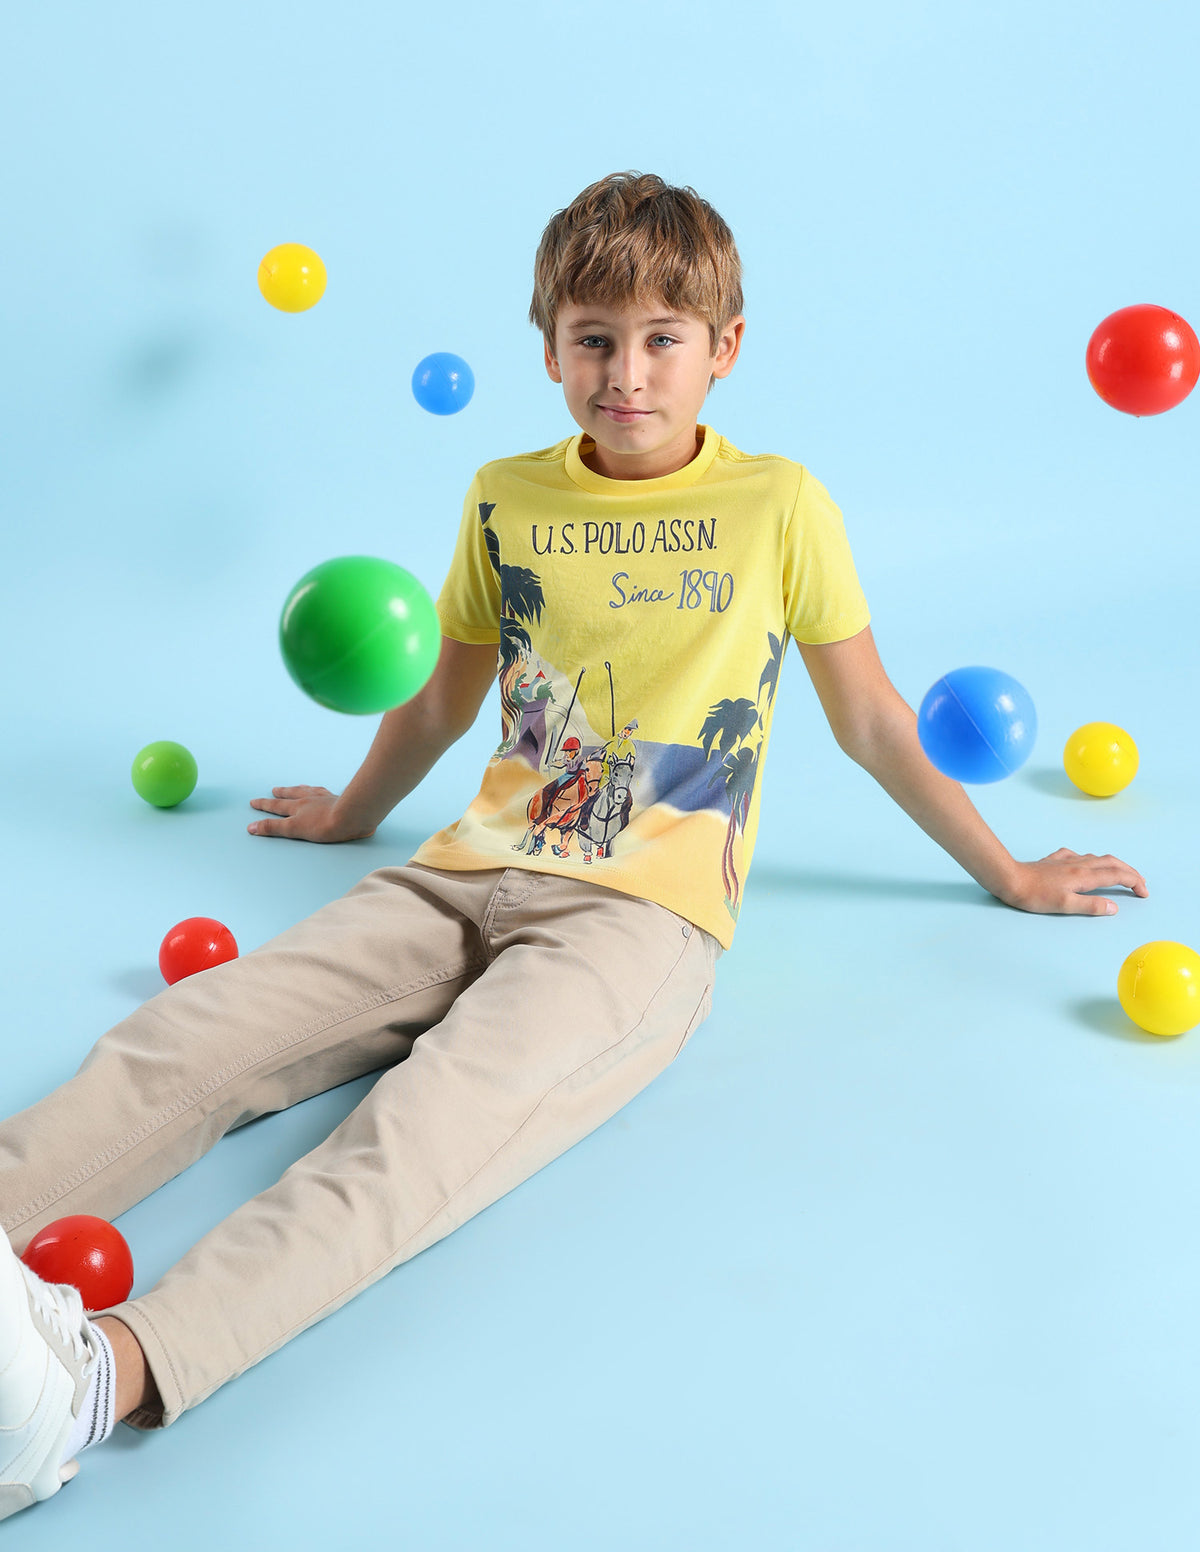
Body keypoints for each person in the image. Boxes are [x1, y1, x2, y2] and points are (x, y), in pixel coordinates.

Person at [0, 170, 1147, 1520]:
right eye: (595, 338)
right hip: (461, 872)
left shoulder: (780, 506)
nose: (627, 373)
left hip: (637, 921)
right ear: (549, 348)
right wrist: (355, 813)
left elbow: (875, 722)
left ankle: (94, 1383)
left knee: (413, 1141)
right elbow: (443, 698)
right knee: (185, 1042)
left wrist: (1010, 873)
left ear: (723, 349)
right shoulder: (506, 496)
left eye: (663, 339)